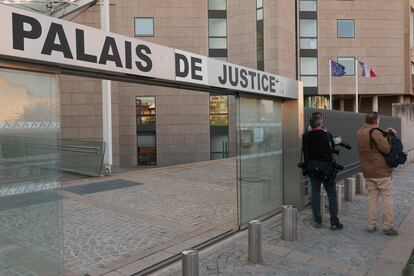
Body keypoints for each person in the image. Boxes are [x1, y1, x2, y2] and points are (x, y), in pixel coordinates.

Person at [356, 112, 398, 235]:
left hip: (368, 170)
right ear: (376, 121)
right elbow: (386, 148)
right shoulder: (375, 132)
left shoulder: (359, 132)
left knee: (372, 198)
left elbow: (371, 144)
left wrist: (382, 133)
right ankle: (388, 226)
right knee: (386, 197)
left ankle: (371, 224)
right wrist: (390, 135)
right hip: (381, 171)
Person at [302, 114, 343, 230]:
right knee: (332, 195)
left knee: (315, 193)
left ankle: (317, 220)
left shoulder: (305, 136)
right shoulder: (326, 135)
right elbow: (333, 146)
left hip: (313, 169)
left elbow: (305, 153)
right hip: (326, 170)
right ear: (320, 124)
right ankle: (334, 222)